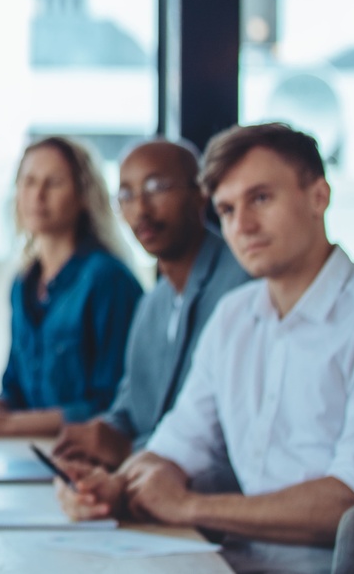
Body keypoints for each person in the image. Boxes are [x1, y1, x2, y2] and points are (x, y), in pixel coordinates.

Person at [58, 123, 354, 574]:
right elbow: (178, 444)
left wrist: (189, 507)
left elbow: (349, 502)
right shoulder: (234, 316)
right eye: (227, 208)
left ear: (319, 195)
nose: (243, 225)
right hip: (225, 562)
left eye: (260, 198)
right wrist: (115, 487)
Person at [53, 139, 250, 470]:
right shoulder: (152, 303)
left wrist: (127, 449)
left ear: (201, 193)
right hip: (147, 482)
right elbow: (127, 409)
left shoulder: (242, 287)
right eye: (127, 195)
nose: (141, 209)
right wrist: (103, 433)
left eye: (156, 187)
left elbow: (222, 433)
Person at [0, 136, 143, 437]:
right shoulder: (23, 284)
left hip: (84, 459)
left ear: (84, 195)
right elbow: (14, 395)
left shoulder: (108, 279)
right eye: (28, 181)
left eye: (53, 182)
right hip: (28, 452)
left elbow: (110, 406)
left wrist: (3, 425)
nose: (37, 195)